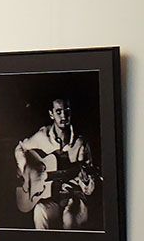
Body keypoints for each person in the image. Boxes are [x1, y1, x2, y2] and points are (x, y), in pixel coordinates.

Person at [13, 96, 97, 229]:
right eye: (58, 112)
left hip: (73, 197)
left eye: (67, 111)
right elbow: (21, 148)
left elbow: (89, 189)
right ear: (51, 114)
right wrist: (25, 170)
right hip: (51, 197)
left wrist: (86, 181)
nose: (63, 116)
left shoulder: (80, 143)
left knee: (69, 219)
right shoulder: (42, 136)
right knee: (39, 211)